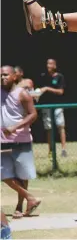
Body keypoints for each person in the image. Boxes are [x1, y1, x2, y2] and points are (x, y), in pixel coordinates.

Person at [1, 65, 41, 219]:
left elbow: (33, 115)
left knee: (22, 174)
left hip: (21, 140)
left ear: (14, 77)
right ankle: (30, 197)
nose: (3, 78)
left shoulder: (22, 94)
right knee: (4, 174)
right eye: (0, 75)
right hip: (3, 141)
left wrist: (15, 127)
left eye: (6, 75)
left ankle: (20, 206)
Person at [38, 58, 67, 157]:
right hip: (46, 105)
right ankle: (51, 150)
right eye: (47, 64)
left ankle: (63, 149)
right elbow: (40, 90)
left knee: (60, 126)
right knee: (48, 127)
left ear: (55, 66)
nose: (48, 66)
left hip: (57, 105)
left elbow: (60, 92)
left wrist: (47, 89)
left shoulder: (59, 77)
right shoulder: (43, 77)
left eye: (50, 64)